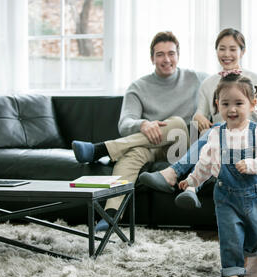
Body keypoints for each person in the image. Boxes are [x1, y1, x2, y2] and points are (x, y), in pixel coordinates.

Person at [139, 28, 257, 209]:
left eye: (232, 49)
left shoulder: (255, 80)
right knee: (215, 137)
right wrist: (198, 116)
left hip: (250, 142)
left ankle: (173, 174)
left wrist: (247, 108)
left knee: (220, 130)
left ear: (242, 52)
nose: (227, 54)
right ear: (216, 51)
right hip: (219, 143)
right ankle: (190, 190)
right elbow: (200, 113)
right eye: (222, 49)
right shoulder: (208, 84)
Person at [71, 31, 207, 231]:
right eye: (160, 54)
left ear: (178, 55)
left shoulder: (197, 79)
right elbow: (125, 122)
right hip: (152, 144)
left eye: (171, 53)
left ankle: (101, 149)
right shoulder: (138, 86)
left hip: (182, 148)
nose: (166, 59)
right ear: (152, 58)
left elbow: (229, 83)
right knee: (131, 154)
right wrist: (143, 124)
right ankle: (111, 216)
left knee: (177, 123)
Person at [178, 72, 257, 277]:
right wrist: (193, 180)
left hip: (254, 195)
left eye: (239, 103)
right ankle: (231, 268)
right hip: (225, 197)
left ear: (252, 104)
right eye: (226, 103)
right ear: (217, 105)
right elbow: (205, 162)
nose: (232, 109)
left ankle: (250, 248)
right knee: (229, 233)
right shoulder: (215, 134)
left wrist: (250, 165)